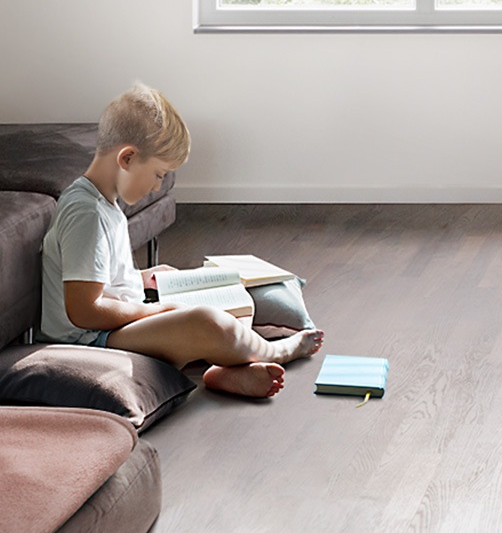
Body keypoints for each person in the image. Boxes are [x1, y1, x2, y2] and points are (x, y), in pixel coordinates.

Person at [39, 82, 323, 398]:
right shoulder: (87, 214)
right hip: (92, 341)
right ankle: (277, 351)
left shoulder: (103, 203)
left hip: (114, 326)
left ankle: (223, 371)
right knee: (207, 322)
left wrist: (143, 278)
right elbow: (85, 311)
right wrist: (156, 310)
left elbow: (101, 279)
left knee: (229, 304)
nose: (158, 187)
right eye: (159, 174)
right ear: (128, 158)